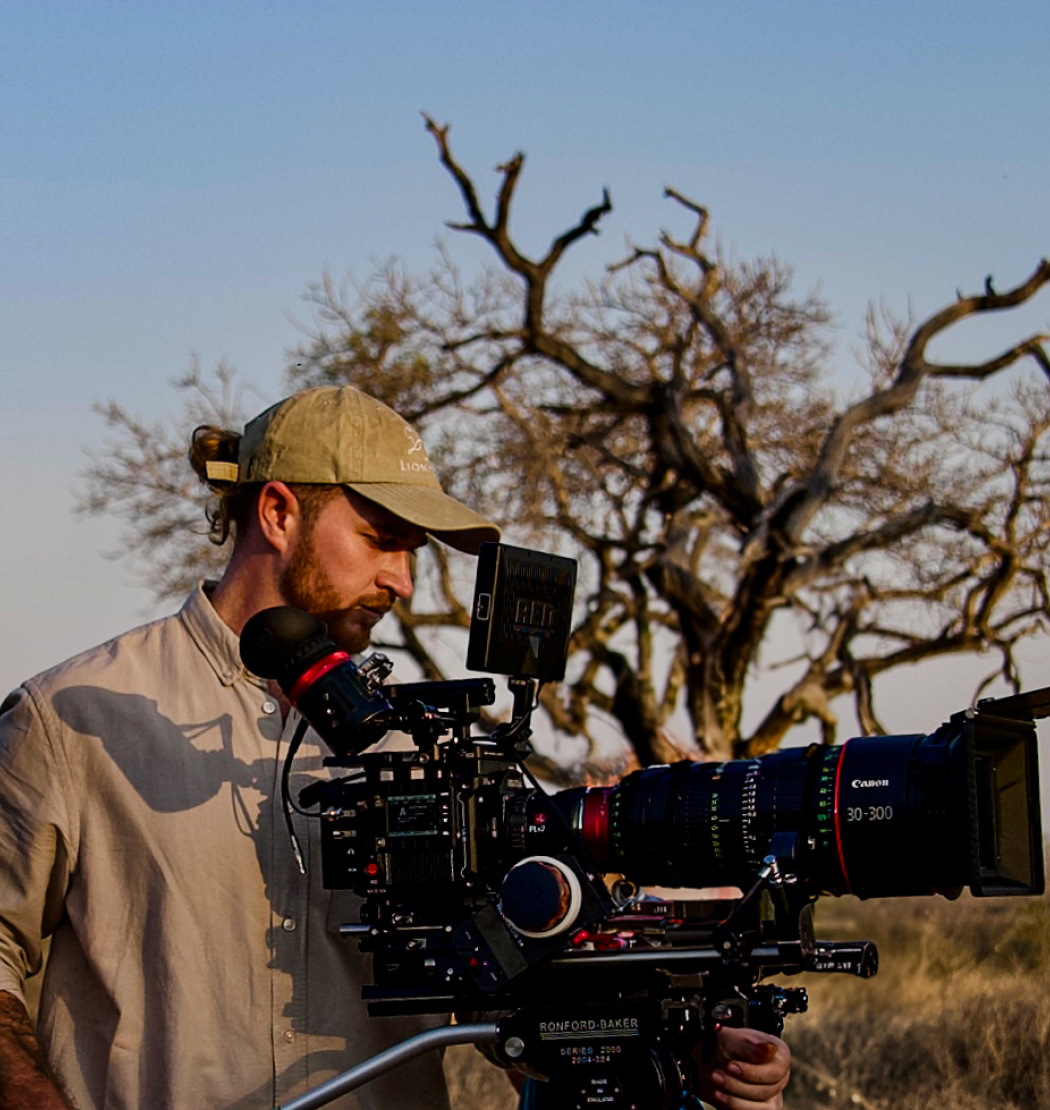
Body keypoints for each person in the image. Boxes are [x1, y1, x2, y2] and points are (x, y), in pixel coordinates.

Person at [0, 385, 791, 1110]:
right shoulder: (70, 719)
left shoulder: (424, 748)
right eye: (382, 540)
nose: (404, 580)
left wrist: (688, 1047)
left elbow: (506, 1006)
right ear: (277, 513)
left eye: (412, 550)